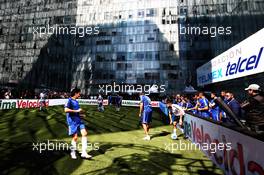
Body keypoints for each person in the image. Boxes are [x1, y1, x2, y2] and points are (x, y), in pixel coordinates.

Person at [64, 88, 92, 159]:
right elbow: (66, 110)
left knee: (84, 133)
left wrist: (81, 115)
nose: (79, 94)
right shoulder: (69, 100)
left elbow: (77, 112)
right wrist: (77, 111)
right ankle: (72, 152)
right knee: (75, 137)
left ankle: (84, 153)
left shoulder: (76, 101)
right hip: (72, 122)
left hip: (79, 120)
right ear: (75, 93)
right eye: (79, 93)